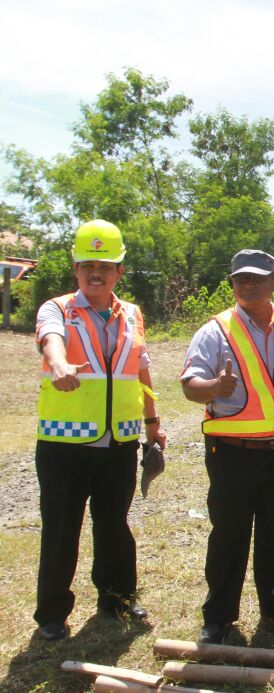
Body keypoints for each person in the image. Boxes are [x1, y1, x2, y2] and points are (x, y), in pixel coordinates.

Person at [181, 249, 274, 644]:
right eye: (241, 279)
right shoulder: (215, 331)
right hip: (231, 453)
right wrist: (214, 387)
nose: (249, 284)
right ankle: (218, 618)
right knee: (229, 535)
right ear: (232, 284)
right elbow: (190, 384)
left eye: (258, 278)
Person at [32, 219, 165, 641]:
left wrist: (152, 424)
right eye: (88, 264)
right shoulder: (57, 309)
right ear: (75, 266)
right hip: (64, 443)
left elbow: (140, 370)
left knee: (114, 523)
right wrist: (58, 365)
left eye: (105, 265)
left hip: (119, 441)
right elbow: (50, 340)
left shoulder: (133, 314)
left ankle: (117, 598)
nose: (96, 272)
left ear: (119, 271)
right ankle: (52, 613)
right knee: (61, 527)